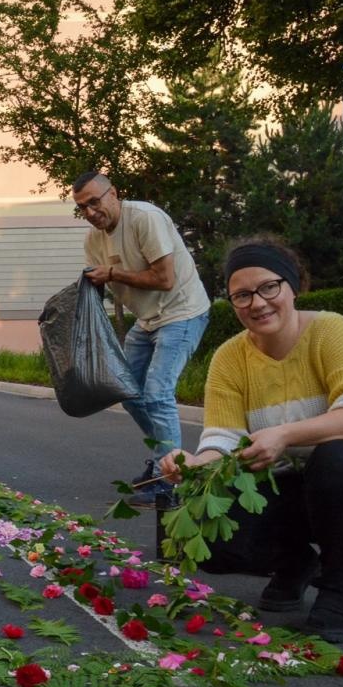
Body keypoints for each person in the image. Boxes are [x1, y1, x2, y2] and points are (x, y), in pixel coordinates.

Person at [157, 239, 343, 643]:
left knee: (334, 456)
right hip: (280, 489)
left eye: (268, 287)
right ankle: (296, 562)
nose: (257, 303)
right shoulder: (229, 357)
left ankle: (338, 591)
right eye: (242, 295)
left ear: (291, 286)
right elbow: (223, 440)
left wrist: (285, 435)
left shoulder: (329, 329)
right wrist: (191, 463)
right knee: (200, 515)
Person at [72, 170, 211, 506]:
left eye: (94, 202)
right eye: (82, 208)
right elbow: (100, 286)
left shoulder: (145, 218)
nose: (91, 212)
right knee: (127, 389)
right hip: (148, 320)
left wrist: (113, 273)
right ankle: (168, 457)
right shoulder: (93, 242)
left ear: (113, 194)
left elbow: (165, 279)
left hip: (182, 312)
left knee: (158, 391)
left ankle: (169, 481)